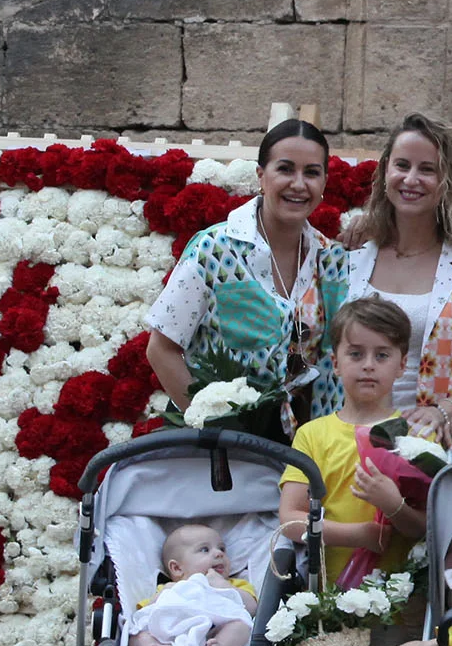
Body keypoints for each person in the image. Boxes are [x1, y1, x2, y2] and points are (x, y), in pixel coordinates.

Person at [281, 297, 433, 646]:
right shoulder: (313, 436)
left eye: (382, 354)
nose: (368, 365)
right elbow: (292, 522)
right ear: (336, 360)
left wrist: (393, 506)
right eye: (356, 353)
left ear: (402, 363)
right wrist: (361, 533)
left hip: (400, 606)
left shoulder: (416, 440)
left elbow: (426, 527)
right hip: (332, 610)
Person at [146, 118, 349, 443]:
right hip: (214, 442)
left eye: (311, 172)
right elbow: (162, 349)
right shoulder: (214, 249)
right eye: (285, 169)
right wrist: (211, 424)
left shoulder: (333, 260)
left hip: (299, 444)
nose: (299, 184)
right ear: (261, 176)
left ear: (324, 181)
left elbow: (332, 364)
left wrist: (325, 447)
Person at [340, 113, 452, 433]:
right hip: (345, 444)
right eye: (402, 165)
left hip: (434, 446)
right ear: (385, 170)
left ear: (449, 182)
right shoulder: (347, 260)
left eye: (427, 169)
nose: (411, 179)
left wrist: (444, 411)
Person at [122, 523, 257, 646]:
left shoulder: (235, 584)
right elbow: (143, 615)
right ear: (177, 569)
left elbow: (250, 608)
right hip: (174, 635)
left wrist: (223, 586)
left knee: (242, 624)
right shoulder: (168, 588)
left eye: (222, 549)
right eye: (205, 549)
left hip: (215, 632)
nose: (219, 554)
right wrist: (166, 594)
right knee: (137, 635)